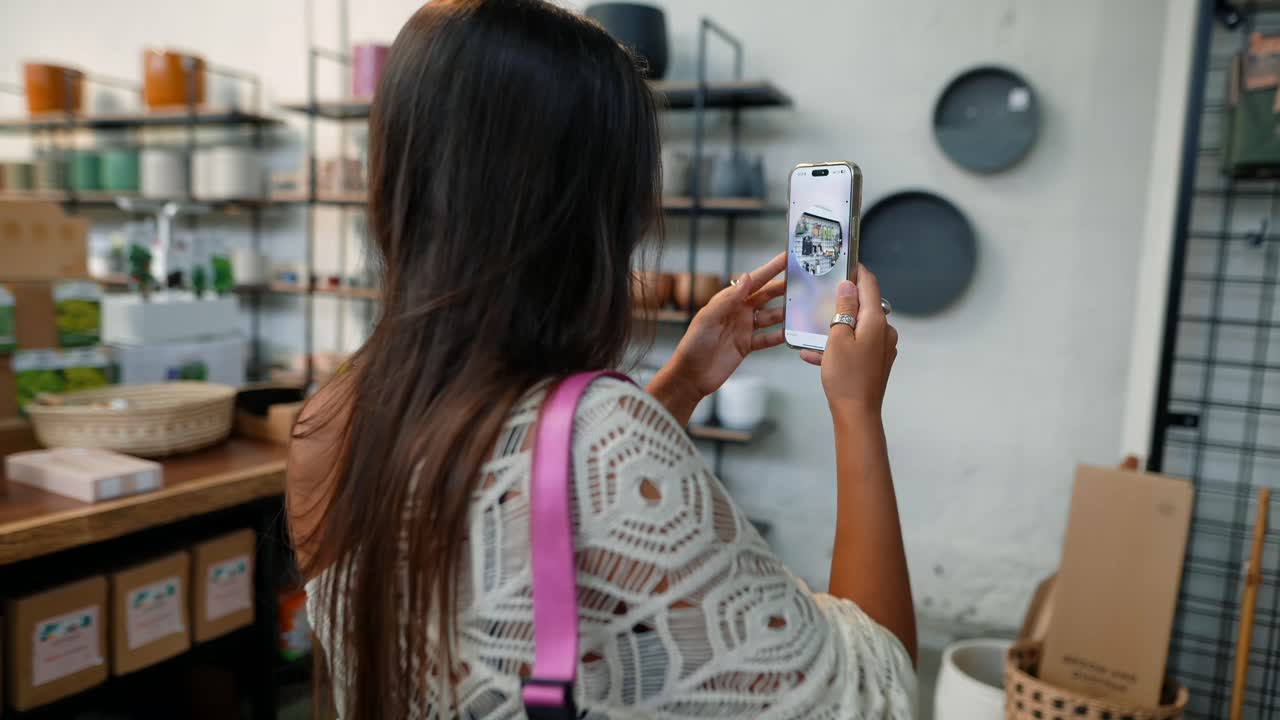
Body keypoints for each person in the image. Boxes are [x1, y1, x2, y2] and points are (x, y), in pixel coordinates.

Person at [285, 0, 916, 717]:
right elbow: (874, 687)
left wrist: (680, 384)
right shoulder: (603, 436)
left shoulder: (326, 421)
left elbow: (504, 540)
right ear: (596, 214)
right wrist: (856, 409)